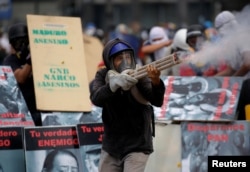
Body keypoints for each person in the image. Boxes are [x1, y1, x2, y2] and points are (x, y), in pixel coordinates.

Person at [90, 38, 165, 172]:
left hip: (137, 144)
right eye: (119, 58)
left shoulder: (139, 74)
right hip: (111, 146)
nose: (125, 61)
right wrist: (113, 85)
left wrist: (156, 81)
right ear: (110, 61)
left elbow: (157, 100)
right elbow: (96, 98)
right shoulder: (103, 75)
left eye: (128, 57)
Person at [3, 23, 42, 126]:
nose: (22, 45)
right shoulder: (10, 61)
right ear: (12, 45)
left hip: (41, 108)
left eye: (24, 41)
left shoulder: (39, 56)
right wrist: (30, 61)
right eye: (18, 42)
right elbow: (20, 78)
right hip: (24, 114)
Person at [214, 10, 250, 78]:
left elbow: (248, 64)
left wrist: (233, 80)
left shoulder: (243, 36)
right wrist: (211, 80)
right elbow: (230, 70)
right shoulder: (234, 42)